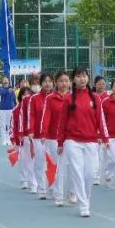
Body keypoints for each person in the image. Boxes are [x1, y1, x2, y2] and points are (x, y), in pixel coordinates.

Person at [57, 67, 109, 218]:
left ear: (88, 78)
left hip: (91, 141)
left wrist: (105, 138)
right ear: (74, 79)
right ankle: (84, 205)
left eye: (84, 76)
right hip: (72, 141)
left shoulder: (95, 98)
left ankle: (85, 198)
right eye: (78, 76)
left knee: (90, 173)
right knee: (77, 172)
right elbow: (62, 122)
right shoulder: (68, 98)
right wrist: (60, 142)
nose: (82, 79)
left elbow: (101, 120)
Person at [41, 71, 72, 206]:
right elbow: (46, 116)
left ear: (70, 82)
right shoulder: (50, 99)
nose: (64, 84)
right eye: (61, 81)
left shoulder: (73, 98)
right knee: (57, 166)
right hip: (53, 138)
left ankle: (72, 192)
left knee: (72, 167)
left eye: (66, 81)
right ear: (56, 82)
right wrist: (44, 133)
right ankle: (58, 195)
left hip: (71, 138)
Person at [29, 74, 53, 200]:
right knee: (40, 162)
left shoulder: (56, 97)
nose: (47, 84)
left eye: (50, 81)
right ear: (41, 83)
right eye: (45, 81)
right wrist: (31, 130)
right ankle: (42, 188)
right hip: (38, 136)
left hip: (53, 136)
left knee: (53, 163)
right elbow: (32, 115)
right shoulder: (35, 98)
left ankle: (52, 187)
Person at [10, 83, 37, 193]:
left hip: (32, 136)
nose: (26, 97)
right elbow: (13, 125)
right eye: (23, 95)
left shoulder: (33, 108)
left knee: (32, 160)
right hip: (21, 137)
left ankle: (33, 181)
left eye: (28, 95)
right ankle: (24, 179)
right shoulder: (16, 109)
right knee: (22, 160)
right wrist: (14, 139)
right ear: (20, 96)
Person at [0, 77, 16, 145]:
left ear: (8, 81)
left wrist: (15, 105)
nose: (5, 81)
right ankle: (4, 139)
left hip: (10, 108)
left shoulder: (12, 89)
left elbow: (14, 98)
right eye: (4, 80)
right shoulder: (1, 88)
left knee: (9, 124)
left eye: (6, 80)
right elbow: (3, 93)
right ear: (2, 81)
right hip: (2, 109)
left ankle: (8, 138)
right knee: (3, 124)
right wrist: (9, 90)